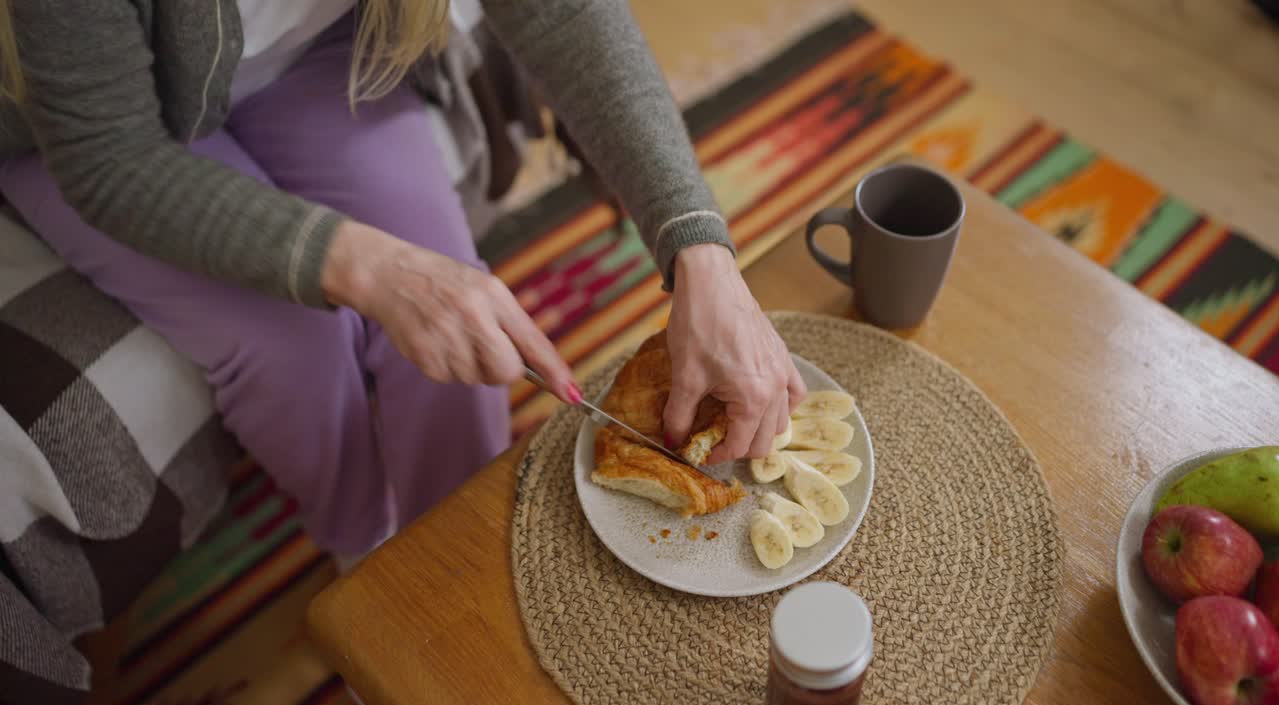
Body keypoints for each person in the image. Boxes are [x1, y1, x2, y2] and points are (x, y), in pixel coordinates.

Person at [0, 0, 805, 561]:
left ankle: (456, 554)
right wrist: (368, 267)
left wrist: (700, 250)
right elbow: (109, 156)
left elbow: (564, 13)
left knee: (464, 324)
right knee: (297, 347)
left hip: (312, 64)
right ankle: (366, 561)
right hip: (92, 138)